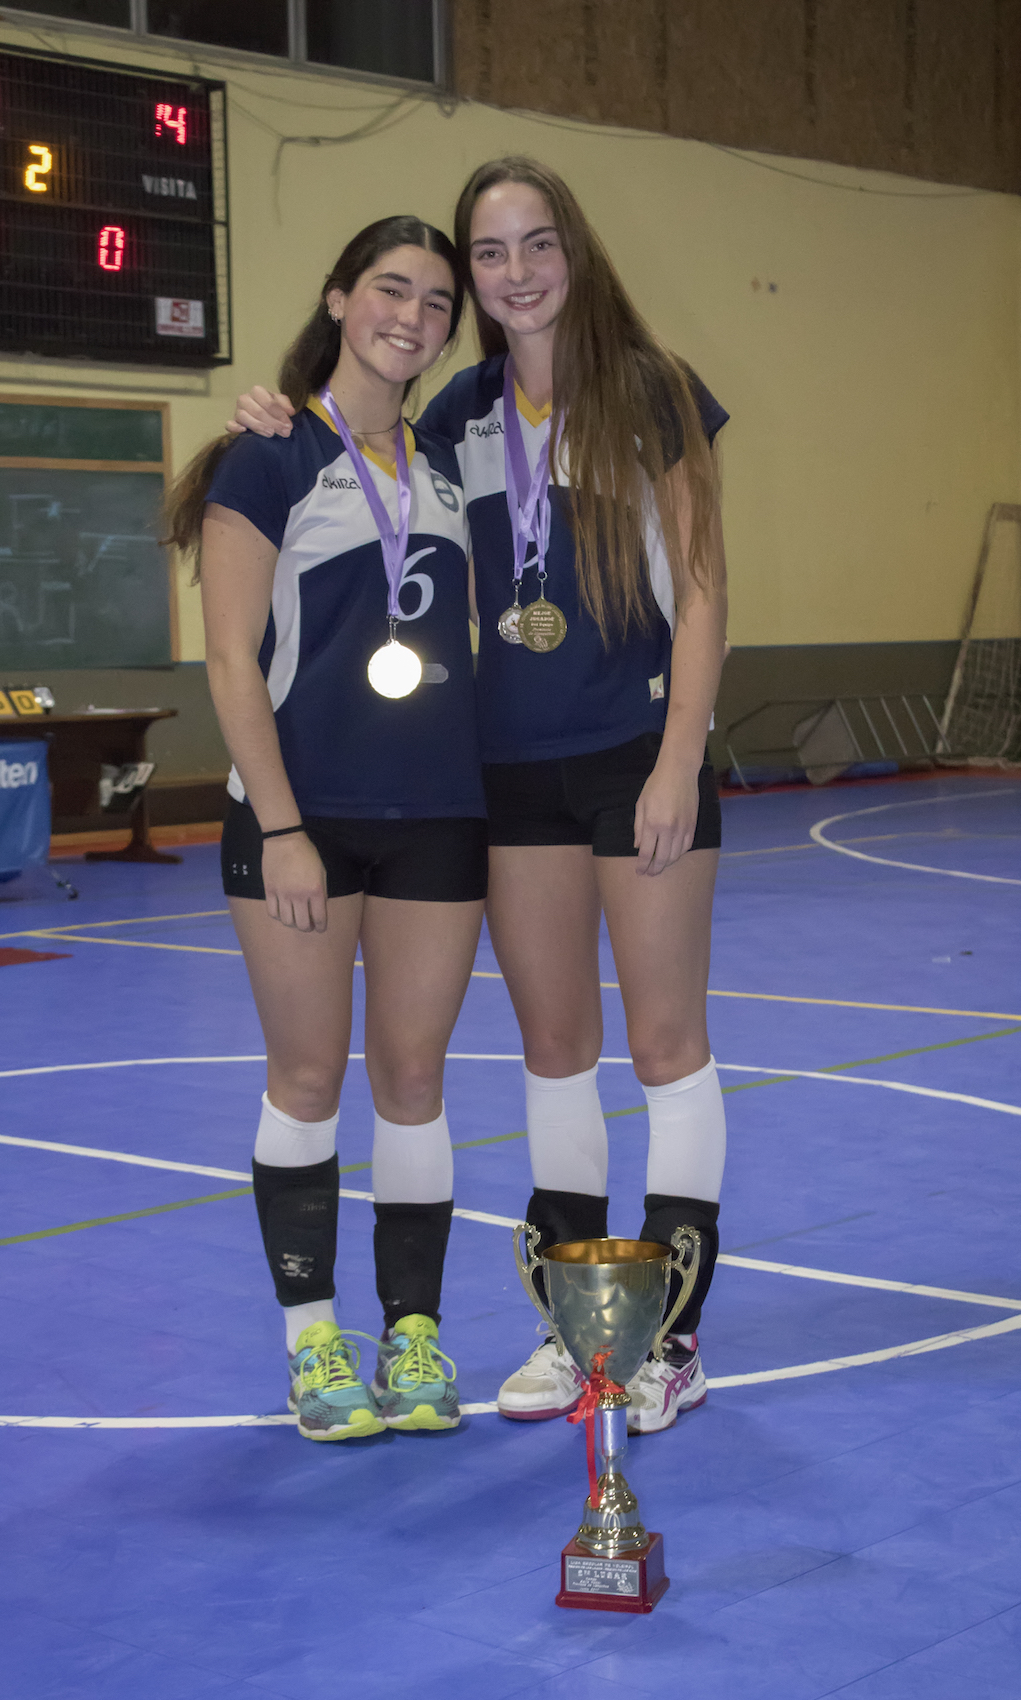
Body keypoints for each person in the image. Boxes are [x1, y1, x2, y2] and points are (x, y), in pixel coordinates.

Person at [229, 157, 729, 1437]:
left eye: (536, 244)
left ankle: (669, 1341)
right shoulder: (457, 413)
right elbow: (359, 445)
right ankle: (580, 1329)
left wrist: (680, 758)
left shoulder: (654, 391)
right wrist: (272, 409)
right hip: (504, 777)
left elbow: (705, 589)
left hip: (635, 758)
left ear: (575, 250)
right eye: (490, 254)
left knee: (665, 1047)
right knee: (553, 1050)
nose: (516, 274)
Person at [164, 216, 486, 1442]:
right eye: (391, 290)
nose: (414, 316)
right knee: (306, 1077)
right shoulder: (269, 456)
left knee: (414, 1081)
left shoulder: (448, 459)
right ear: (341, 299)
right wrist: (284, 824)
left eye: (437, 301)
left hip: (438, 817)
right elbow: (230, 661)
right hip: (299, 820)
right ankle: (313, 1344)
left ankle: (414, 1335)